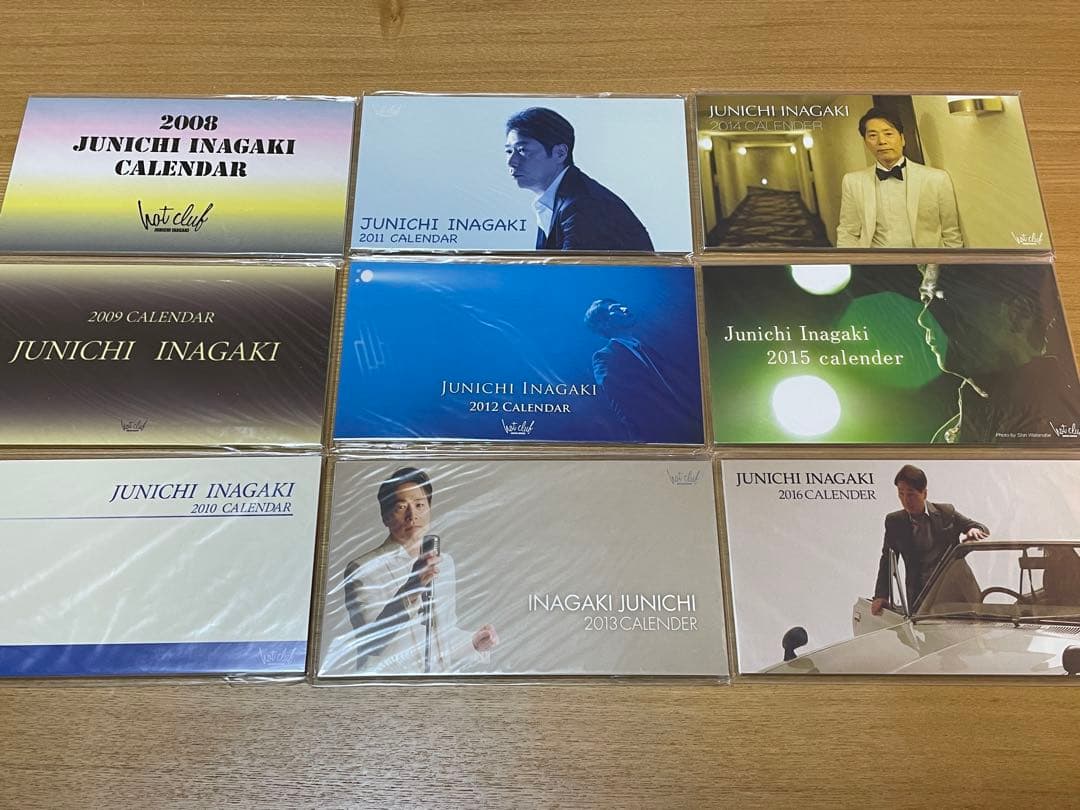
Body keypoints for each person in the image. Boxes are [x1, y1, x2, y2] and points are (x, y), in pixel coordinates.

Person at [342, 467, 498, 674]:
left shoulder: (444, 563)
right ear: (385, 516)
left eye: (419, 505)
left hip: (437, 682)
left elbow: (442, 633)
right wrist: (412, 588)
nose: (412, 515)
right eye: (401, 507)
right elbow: (372, 640)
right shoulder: (363, 569)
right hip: (386, 684)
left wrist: (474, 643)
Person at [917, 264, 1080, 443]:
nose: (923, 319)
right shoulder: (949, 433)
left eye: (944, 298)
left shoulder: (1058, 427)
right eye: (926, 299)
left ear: (1019, 313)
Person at [505, 107, 654, 251]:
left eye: (522, 150)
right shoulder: (563, 197)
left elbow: (571, 269)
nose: (511, 161)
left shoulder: (582, 205)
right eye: (509, 151)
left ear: (560, 153)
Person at [836, 107, 963, 248]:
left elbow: (951, 234)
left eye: (888, 133)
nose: (881, 141)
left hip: (925, 260)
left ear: (902, 139)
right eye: (872, 135)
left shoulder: (937, 179)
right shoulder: (853, 182)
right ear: (866, 143)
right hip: (876, 260)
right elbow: (847, 232)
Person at [871, 464, 989, 615]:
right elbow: (887, 559)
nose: (905, 500)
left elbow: (978, 527)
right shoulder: (895, 522)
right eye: (901, 494)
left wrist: (974, 530)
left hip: (960, 591)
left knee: (976, 627)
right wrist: (881, 595)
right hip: (922, 597)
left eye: (911, 494)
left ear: (924, 493)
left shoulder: (946, 512)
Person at [584, 297, 699, 442]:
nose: (625, 309)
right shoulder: (604, 357)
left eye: (622, 305)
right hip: (660, 435)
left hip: (688, 427)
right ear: (604, 324)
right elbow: (623, 404)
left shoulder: (647, 349)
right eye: (615, 309)